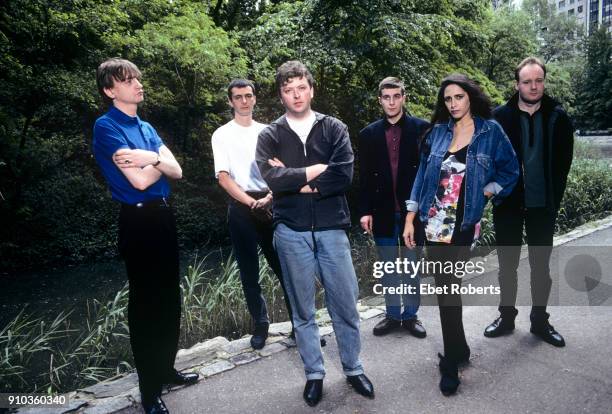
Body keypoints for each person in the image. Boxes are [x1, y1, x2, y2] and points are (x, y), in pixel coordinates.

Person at [256, 60, 374, 407]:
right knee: (303, 310)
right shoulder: (270, 135)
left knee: (345, 303)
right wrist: (311, 172)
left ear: (311, 88)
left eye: (301, 88)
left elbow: (343, 176)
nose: (296, 95)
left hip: (332, 229)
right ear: (281, 94)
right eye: (288, 90)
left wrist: (293, 180)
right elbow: (271, 180)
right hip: (290, 231)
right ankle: (315, 374)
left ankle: (353, 368)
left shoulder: (334, 128)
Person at [93, 58, 198, 414]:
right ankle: (149, 390)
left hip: (164, 217)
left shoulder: (146, 127)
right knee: (145, 306)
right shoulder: (106, 127)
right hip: (137, 222)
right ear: (110, 90)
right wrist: (158, 163)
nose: (139, 83)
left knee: (170, 298)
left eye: (137, 77)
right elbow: (138, 182)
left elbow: (178, 171)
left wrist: (147, 157)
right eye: (128, 80)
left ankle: (166, 369)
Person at [403, 74, 518, 396]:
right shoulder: (436, 133)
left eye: (459, 97)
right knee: (446, 291)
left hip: (463, 225)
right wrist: (410, 218)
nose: (453, 104)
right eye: (448, 99)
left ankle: (452, 361)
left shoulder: (489, 131)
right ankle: (459, 351)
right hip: (433, 223)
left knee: (448, 290)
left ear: (470, 97)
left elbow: (510, 170)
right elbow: (421, 178)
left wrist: (487, 192)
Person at [483, 57, 574, 347]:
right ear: (517, 84)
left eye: (538, 81)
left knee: (540, 268)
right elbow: (488, 161)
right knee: (507, 266)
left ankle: (539, 321)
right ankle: (506, 317)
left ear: (543, 82)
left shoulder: (558, 118)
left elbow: (563, 166)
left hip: (542, 206)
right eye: (527, 81)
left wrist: (553, 202)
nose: (534, 87)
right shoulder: (499, 117)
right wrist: (496, 193)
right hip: (508, 204)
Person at [211, 79, 296, 350]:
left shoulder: (269, 131)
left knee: (285, 268)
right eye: (238, 97)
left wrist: (271, 197)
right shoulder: (221, 134)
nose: (244, 101)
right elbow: (223, 178)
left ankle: (300, 324)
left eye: (248, 96)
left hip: (272, 202)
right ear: (230, 101)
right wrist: (250, 202)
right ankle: (261, 325)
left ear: (255, 98)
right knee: (249, 272)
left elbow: (279, 169)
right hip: (241, 206)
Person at [358, 77, 429, 338]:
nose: (391, 101)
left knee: (411, 267)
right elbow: (364, 176)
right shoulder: (368, 134)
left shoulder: (423, 129)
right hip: (383, 210)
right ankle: (391, 315)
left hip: (413, 212)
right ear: (380, 100)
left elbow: (429, 173)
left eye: (396, 96)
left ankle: (410, 316)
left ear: (404, 97)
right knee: (388, 267)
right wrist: (365, 211)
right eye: (386, 97)